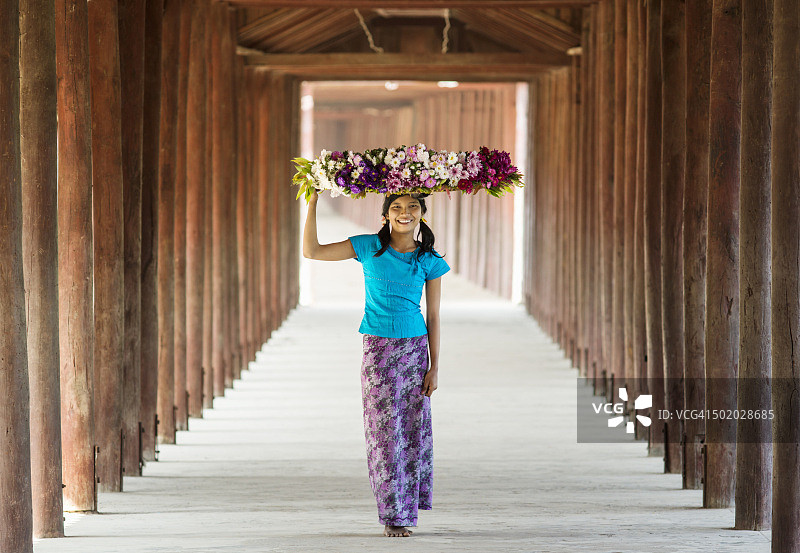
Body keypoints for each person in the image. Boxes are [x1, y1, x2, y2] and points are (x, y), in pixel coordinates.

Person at [302, 188, 450, 538]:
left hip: (415, 352)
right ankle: (392, 514)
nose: (404, 212)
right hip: (377, 352)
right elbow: (312, 251)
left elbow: (434, 315)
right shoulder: (369, 246)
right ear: (385, 215)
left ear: (421, 214)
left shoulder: (429, 260)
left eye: (412, 207)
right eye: (396, 207)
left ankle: (408, 507)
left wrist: (435, 366)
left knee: (412, 432)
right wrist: (312, 202)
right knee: (384, 433)